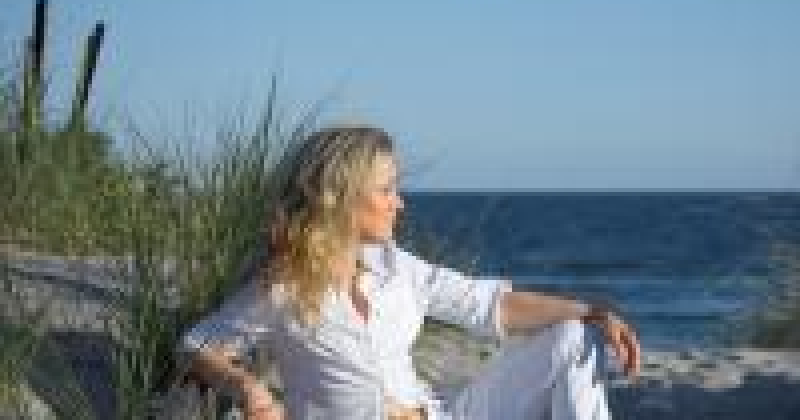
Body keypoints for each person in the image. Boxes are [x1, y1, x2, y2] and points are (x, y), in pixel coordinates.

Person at [177, 125, 641, 420]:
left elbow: (491, 306)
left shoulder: (396, 267)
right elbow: (195, 346)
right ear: (343, 197)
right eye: (387, 190)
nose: (399, 203)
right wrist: (247, 387)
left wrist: (593, 311)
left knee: (575, 336)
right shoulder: (283, 289)